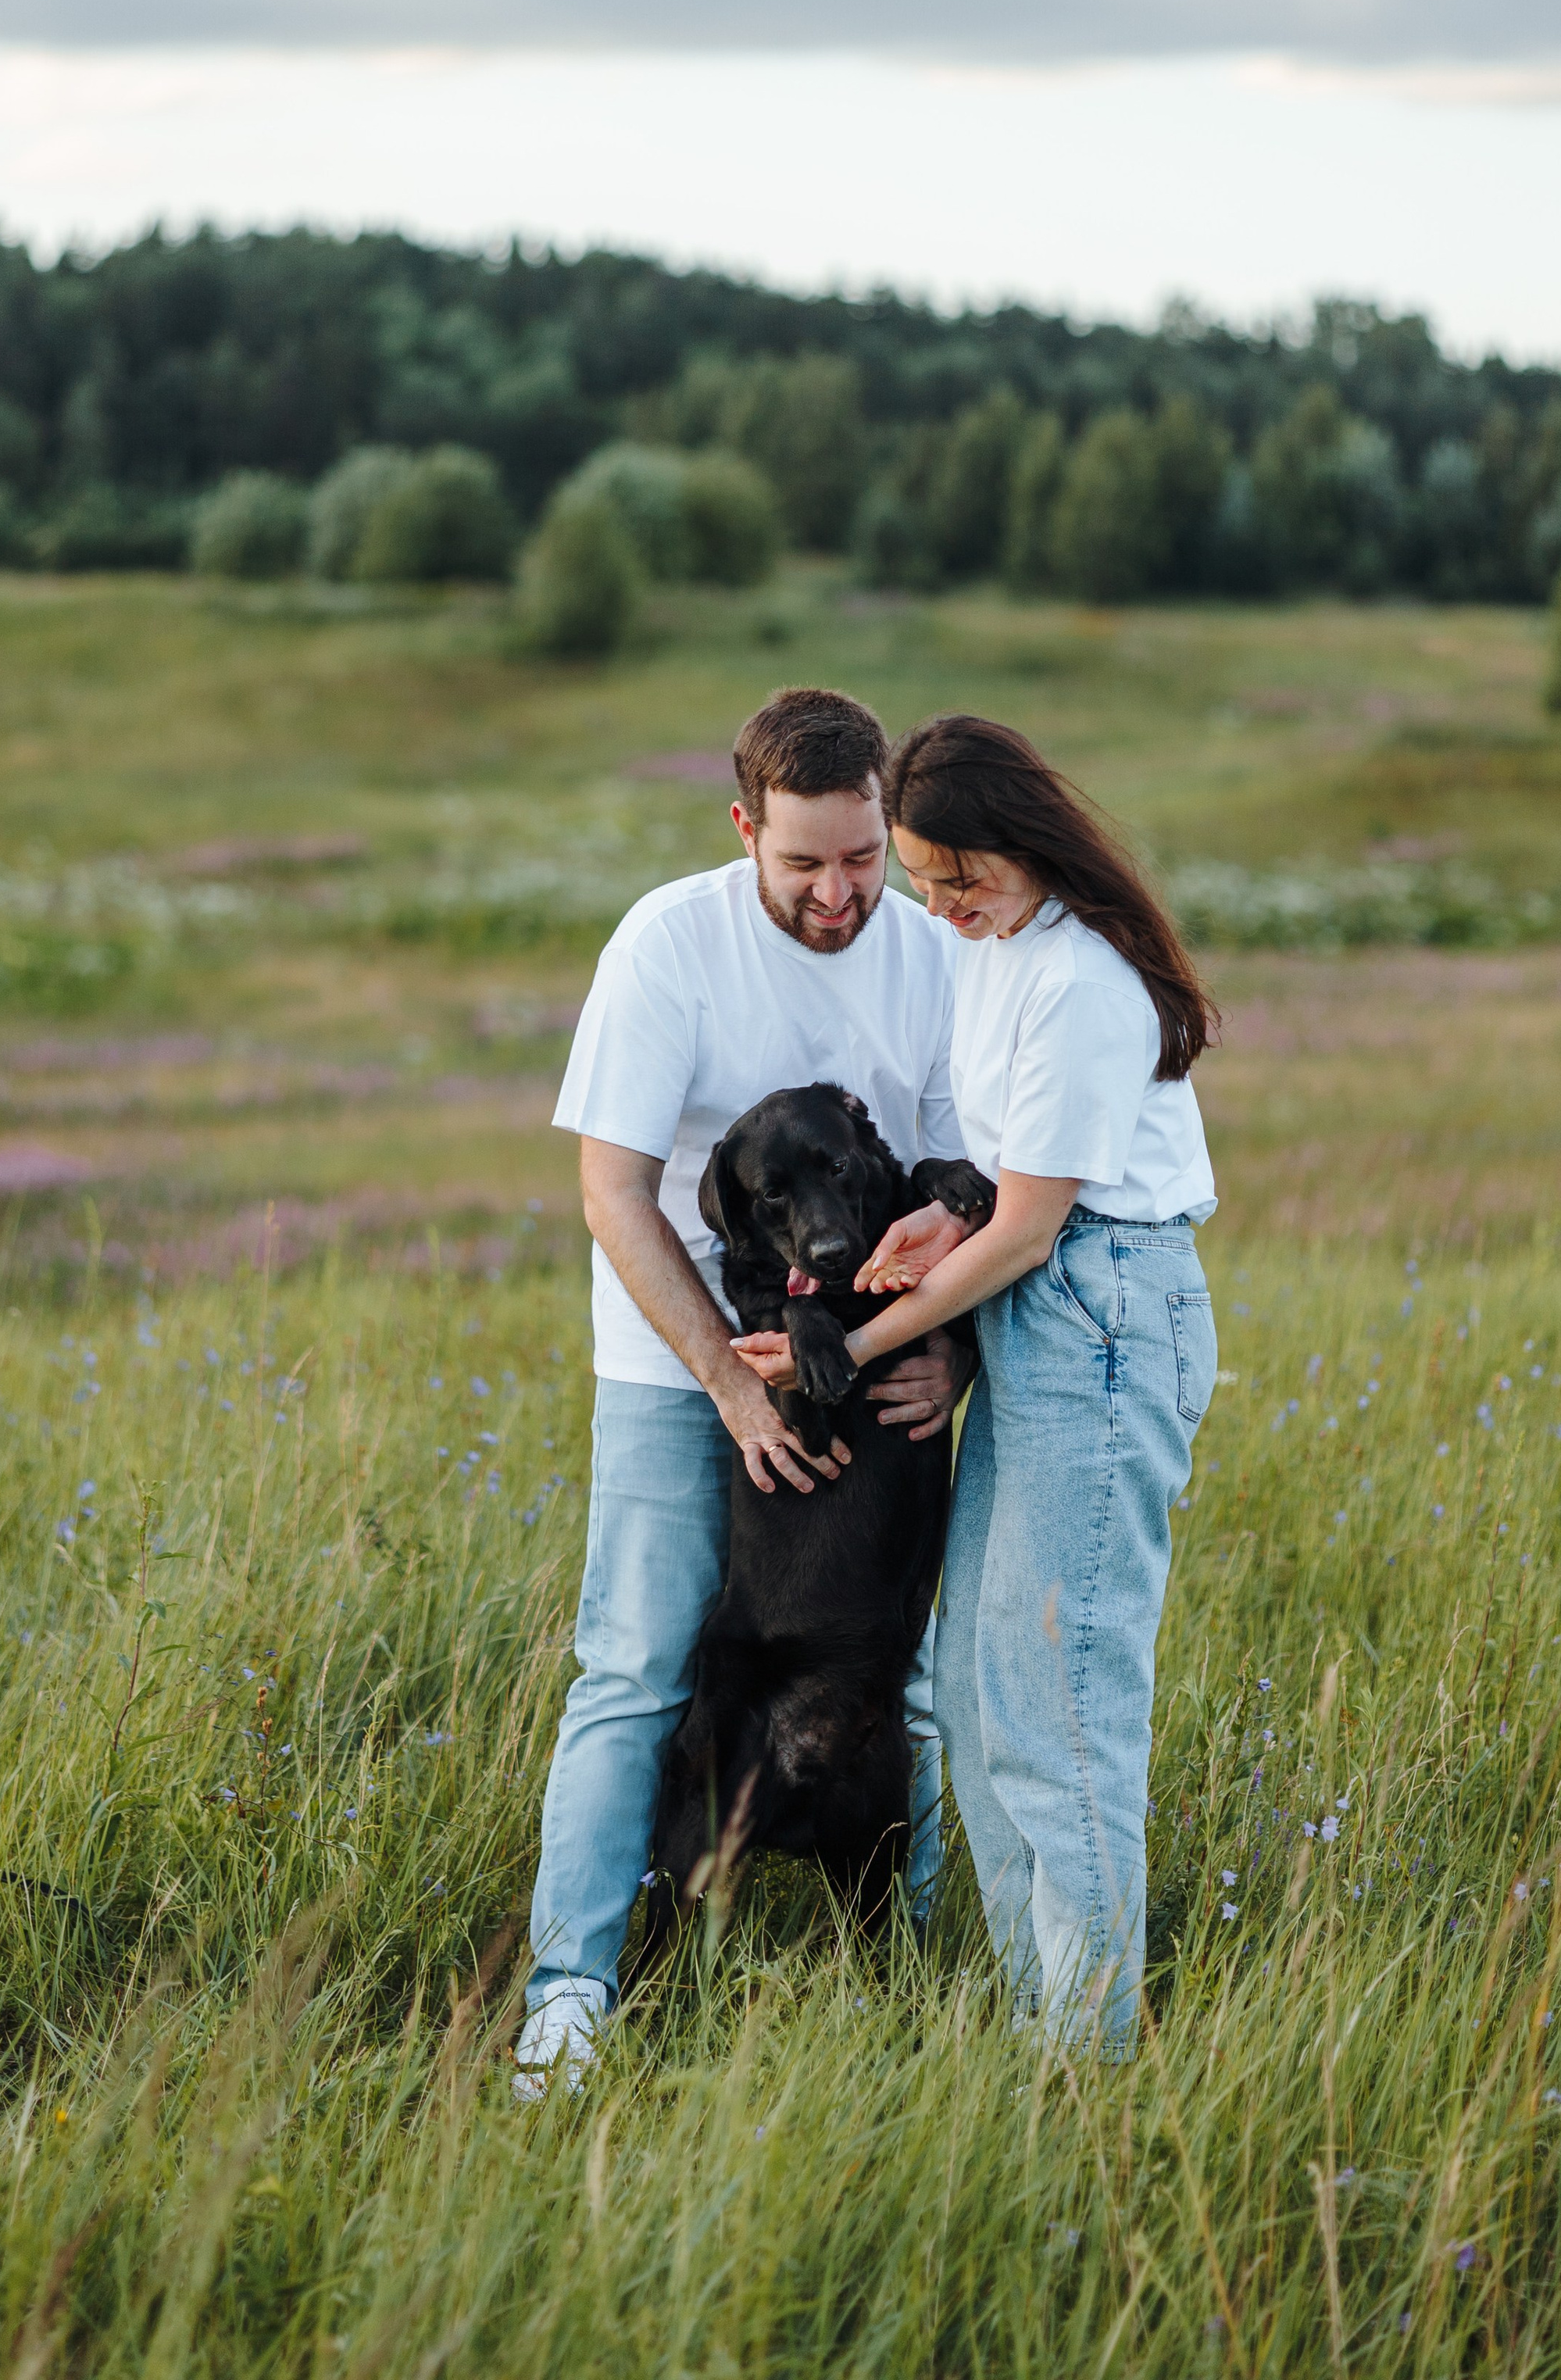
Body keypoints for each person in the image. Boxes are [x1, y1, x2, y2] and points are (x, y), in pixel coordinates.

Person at [733, 713, 1217, 2053]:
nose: (941, 910)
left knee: (1059, 1703)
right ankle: (1038, 2016)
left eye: (962, 879)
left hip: (1100, 1313)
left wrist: (848, 1346)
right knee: (980, 1690)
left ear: (1026, 841)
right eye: (925, 883)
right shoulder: (1000, 952)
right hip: (1038, 1315)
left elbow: (1034, 1229)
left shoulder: (1083, 983)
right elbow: (1006, 1191)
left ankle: (1087, 2057)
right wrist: (939, 1220)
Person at [516, 687, 974, 2097]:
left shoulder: (935, 955)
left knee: (912, 1683)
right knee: (635, 1668)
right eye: (804, 863)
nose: (840, 894)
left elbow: (966, 1189)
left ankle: (913, 1970)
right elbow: (613, 1190)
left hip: (874, 1368)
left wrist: (952, 1351)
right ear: (742, 829)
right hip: (677, 1365)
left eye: (864, 858)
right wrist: (727, 1383)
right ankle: (571, 1999)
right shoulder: (670, 944)